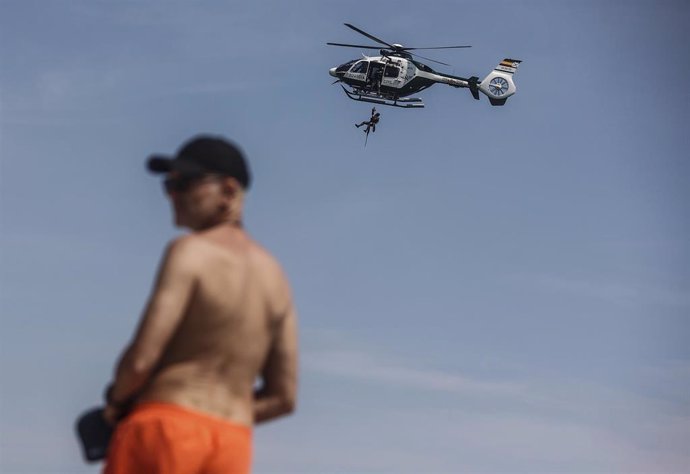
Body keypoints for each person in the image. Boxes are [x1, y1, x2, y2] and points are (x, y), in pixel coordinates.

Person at [102, 135, 298, 474]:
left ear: (228, 191)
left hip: (165, 428)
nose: (173, 195)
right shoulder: (276, 277)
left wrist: (116, 405)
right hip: (232, 442)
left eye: (185, 183)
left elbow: (141, 360)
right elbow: (284, 398)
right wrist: (228, 411)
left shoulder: (190, 251)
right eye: (169, 185)